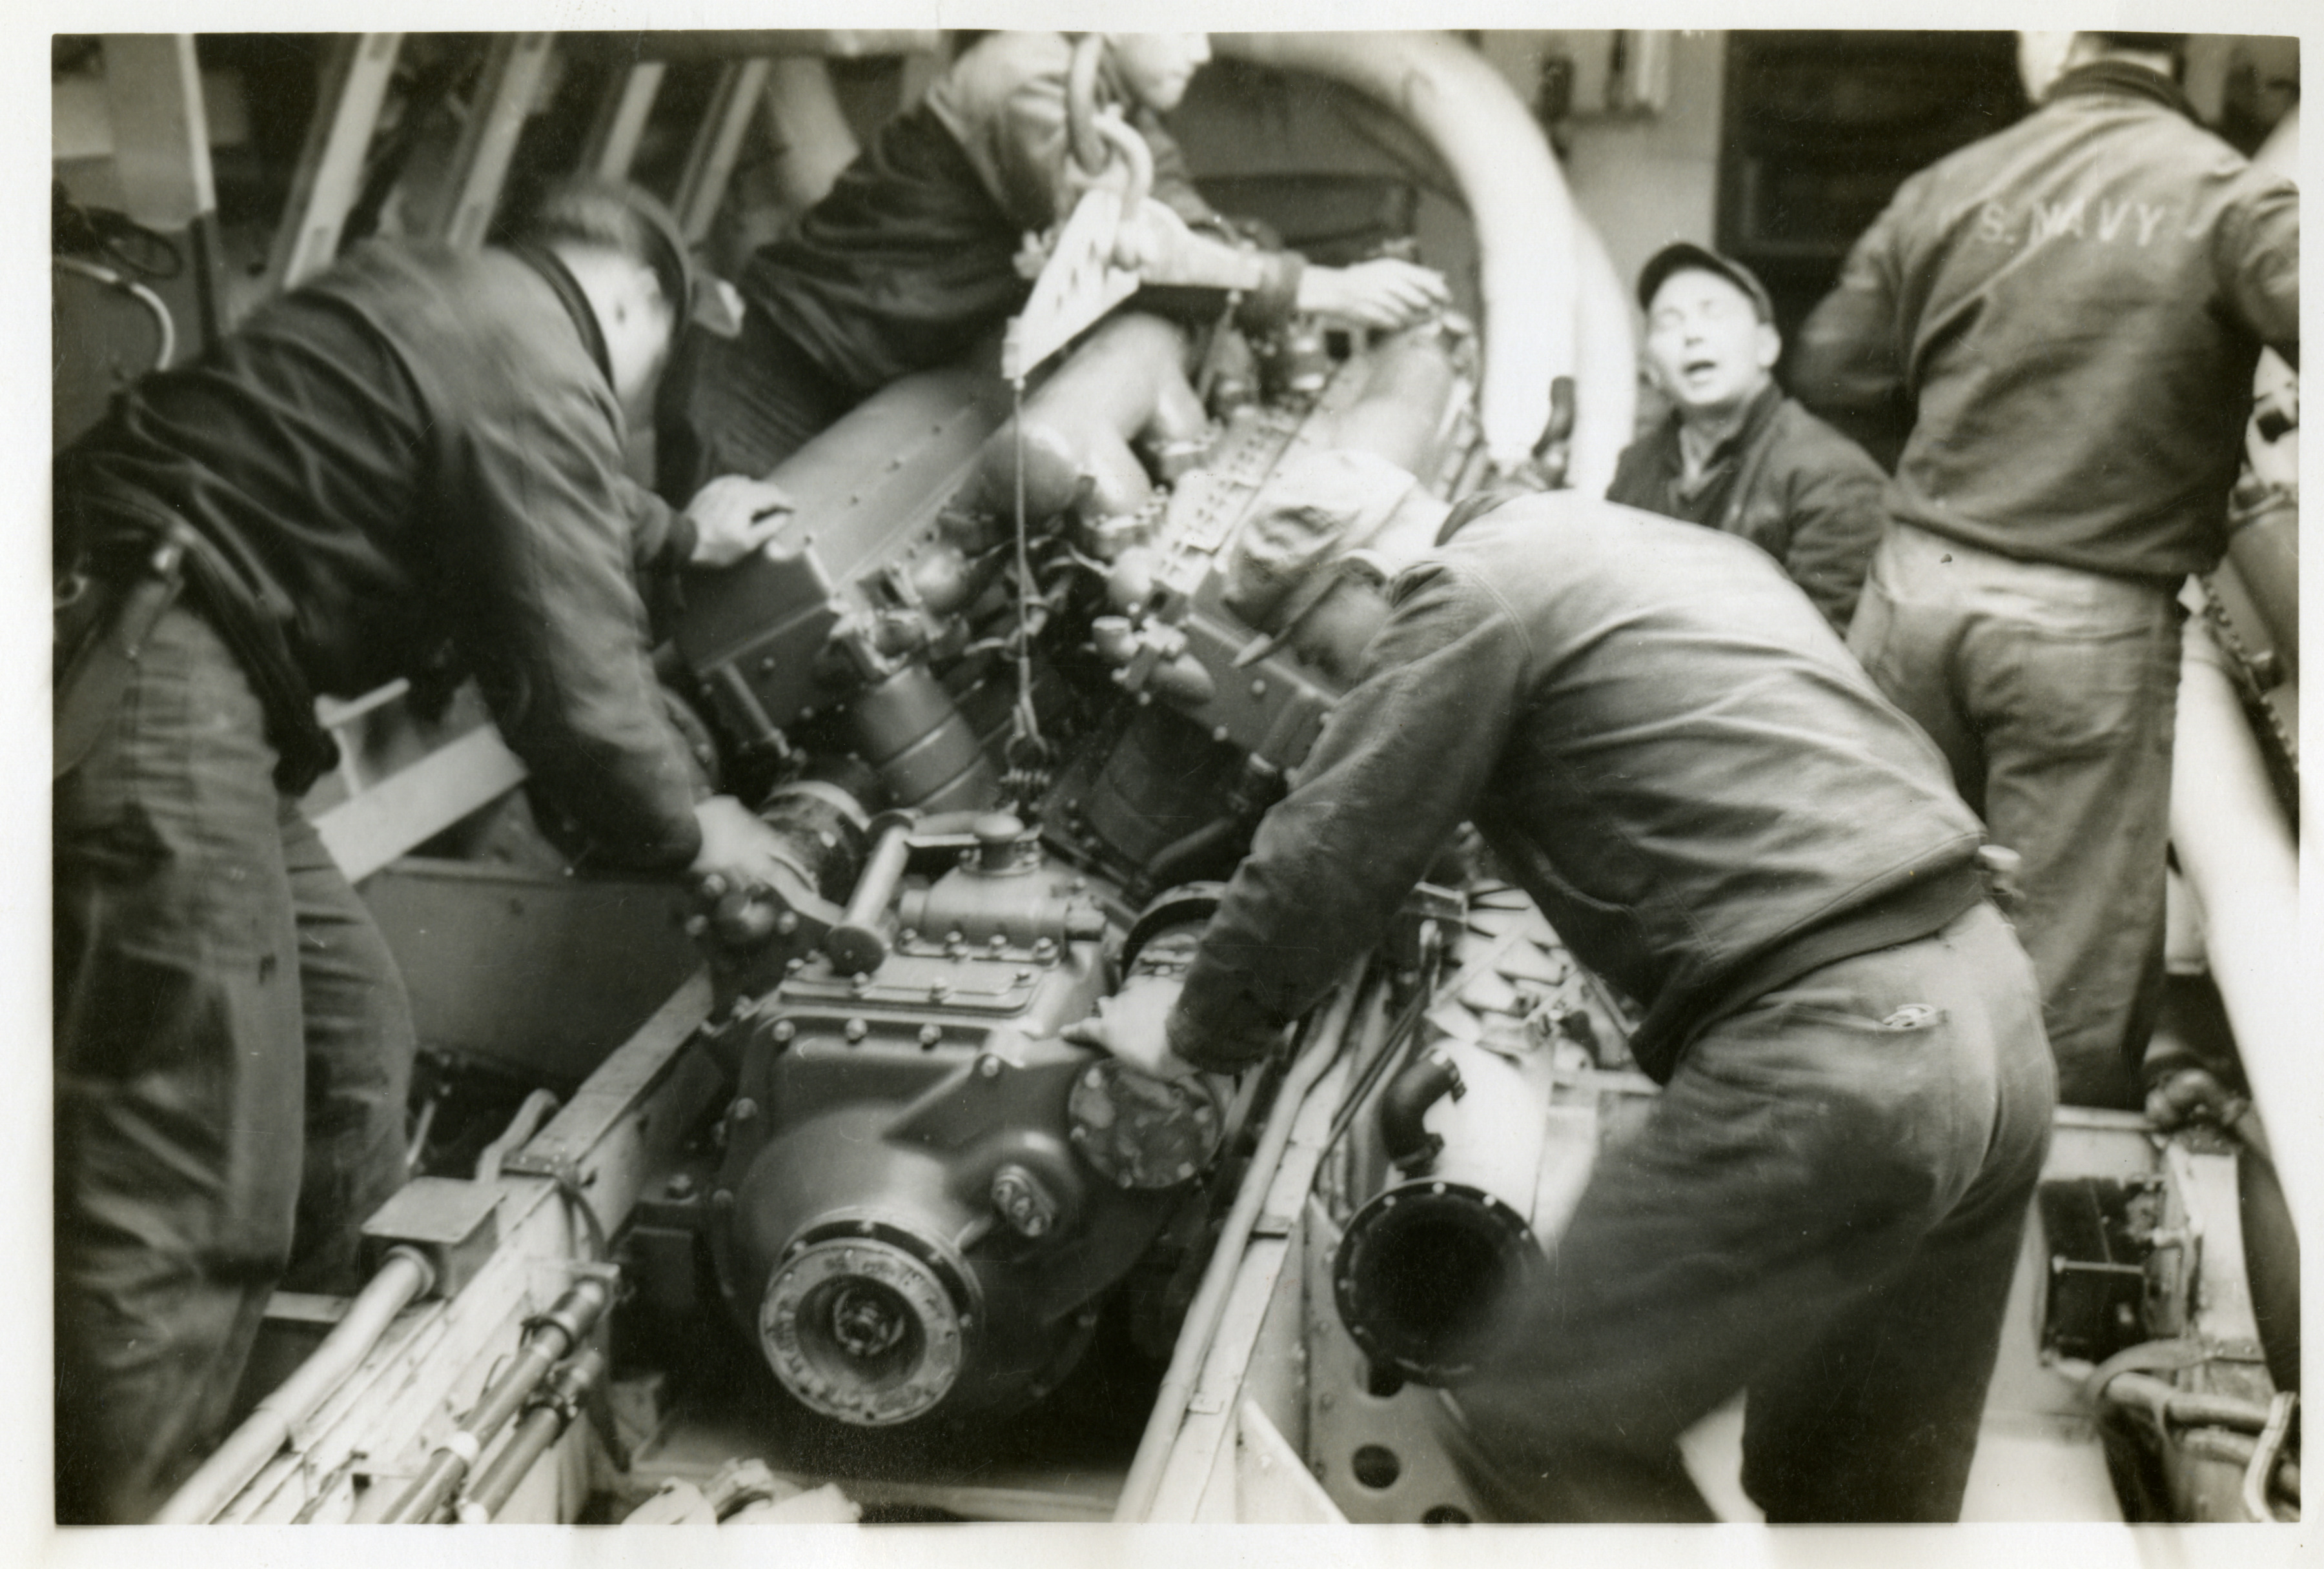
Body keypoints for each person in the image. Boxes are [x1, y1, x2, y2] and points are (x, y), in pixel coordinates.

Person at [1069, 447, 2054, 1522]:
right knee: (1857, 1503)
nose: (1337, 677)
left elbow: (1332, 848)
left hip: (1845, 1050)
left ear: (1363, 575)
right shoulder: (1648, 546)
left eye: (1319, 645)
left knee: (1542, 1416)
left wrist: (1191, 1033)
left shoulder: (1468, 589)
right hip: (1988, 1017)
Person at [52, 179, 811, 1524]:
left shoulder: (457, 304)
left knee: (352, 1057)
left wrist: (683, 532)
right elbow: (581, 684)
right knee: (194, 1156)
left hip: (171, 673)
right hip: (159, 684)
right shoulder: (539, 353)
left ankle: (323, 1423)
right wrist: (701, 834)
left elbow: (545, 504)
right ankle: (138, 1514)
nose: (626, 417)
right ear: (642, 305)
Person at [1791, 31, 2298, 1108]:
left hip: (1914, 593)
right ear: (2183, 65)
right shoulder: (2227, 195)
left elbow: (1833, 364)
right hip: (2086, 625)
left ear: (2060, 50)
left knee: (1868, 917)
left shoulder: (1952, 182)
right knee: (2055, 984)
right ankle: (2019, 1249)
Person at [657, 31, 1449, 499]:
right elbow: (1146, 251)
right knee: (742, 620)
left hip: (861, 378)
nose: (1204, 50)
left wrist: (1276, 270)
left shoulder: (1114, 106)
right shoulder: (1026, 84)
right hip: (769, 376)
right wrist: (1325, 286)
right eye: (1189, 23)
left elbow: (1186, 220)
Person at [1606, 243, 1888, 634]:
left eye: (1714, 312)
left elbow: (1822, 652)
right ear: (1651, 369)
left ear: (1766, 345)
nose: (1692, 335)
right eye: (1668, 322)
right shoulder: (1634, 468)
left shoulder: (1832, 474)